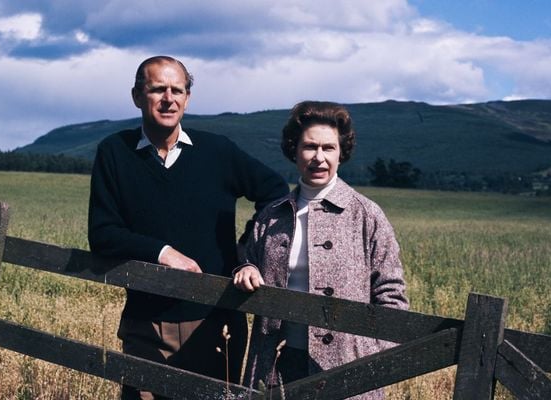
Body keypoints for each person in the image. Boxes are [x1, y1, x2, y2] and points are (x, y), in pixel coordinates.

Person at [88, 55, 289, 399]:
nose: (168, 99)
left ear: (187, 98)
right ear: (137, 96)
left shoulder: (218, 152)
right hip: (145, 320)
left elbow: (276, 194)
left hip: (214, 321)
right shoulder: (114, 152)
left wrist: (246, 251)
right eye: (157, 90)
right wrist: (163, 253)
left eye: (177, 90)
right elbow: (102, 233)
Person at [233, 101, 408, 399]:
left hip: (347, 370)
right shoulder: (272, 215)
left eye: (328, 148)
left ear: (342, 153)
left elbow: (392, 297)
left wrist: (370, 363)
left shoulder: (366, 215)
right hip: (275, 367)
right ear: (294, 150)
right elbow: (247, 260)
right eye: (309, 147)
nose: (318, 158)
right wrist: (245, 268)